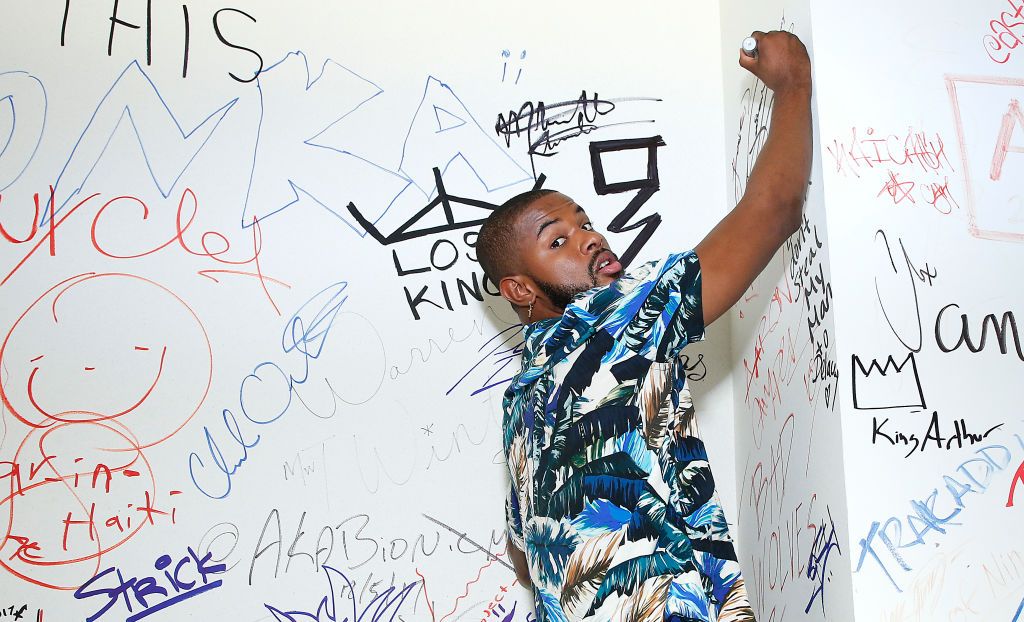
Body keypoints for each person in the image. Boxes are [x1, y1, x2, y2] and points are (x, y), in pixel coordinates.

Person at [475, 30, 811, 622]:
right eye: (558, 240)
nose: (590, 237)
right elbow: (772, 211)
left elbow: (525, 554)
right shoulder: (619, 318)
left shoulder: (519, 403)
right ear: (521, 290)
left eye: (585, 224)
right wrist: (792, 84)